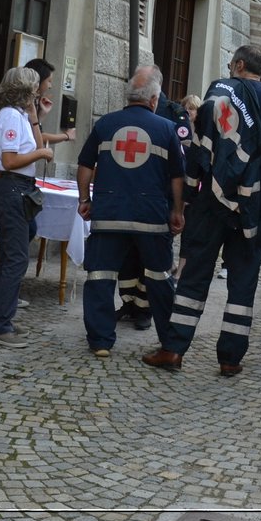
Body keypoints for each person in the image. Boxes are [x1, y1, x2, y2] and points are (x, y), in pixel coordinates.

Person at [142, 44, 261, 376]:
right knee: (243, 281)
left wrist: (185, 197)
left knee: (195, 274)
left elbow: (203, 144)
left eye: (232, 64)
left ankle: (173, 350)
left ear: (240, 64)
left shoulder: (220, 90)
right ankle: (231, 358)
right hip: (257, 201)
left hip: (215, 197)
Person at [77, 66, 186, 358]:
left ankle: (100, 341)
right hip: (150, 214)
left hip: (108, 211)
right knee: (161, 279)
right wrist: (177, 210)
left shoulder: (105, 124)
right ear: (154, 98)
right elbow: (177, 176)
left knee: (99, 275)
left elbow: (85, 165)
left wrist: (84, 199)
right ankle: (169, 343)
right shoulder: (166, 129)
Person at [0, 66, 53, 349]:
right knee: (15, 258)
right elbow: (11, 160)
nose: (40, 91)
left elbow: (34, 144)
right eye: (36, 87)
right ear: (26, 90)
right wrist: (42, 152)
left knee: (15, 252)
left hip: (20, 188)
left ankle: (2, 317)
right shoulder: (10, 117)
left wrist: (35, 117)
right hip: (12, 186)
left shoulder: (21, 115)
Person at [116, 86, 193, 331]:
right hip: (131, 193)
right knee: (128, 254)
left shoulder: (176, 114)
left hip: (160, 196)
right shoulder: (131, 110)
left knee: (153, 259)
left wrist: (179, 204)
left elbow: (182, 157)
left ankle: (145, 308)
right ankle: (128, 302)